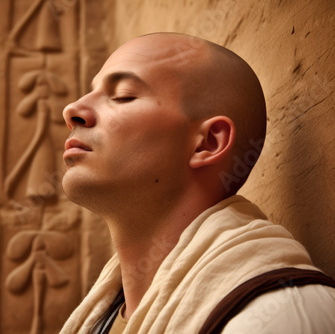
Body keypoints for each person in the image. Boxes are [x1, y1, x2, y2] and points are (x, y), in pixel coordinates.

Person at [59, 33, 335, 334]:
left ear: (208, 143)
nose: (72, 110)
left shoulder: (285, 315)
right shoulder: (102, 320)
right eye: (92, 91)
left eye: (123, 95)